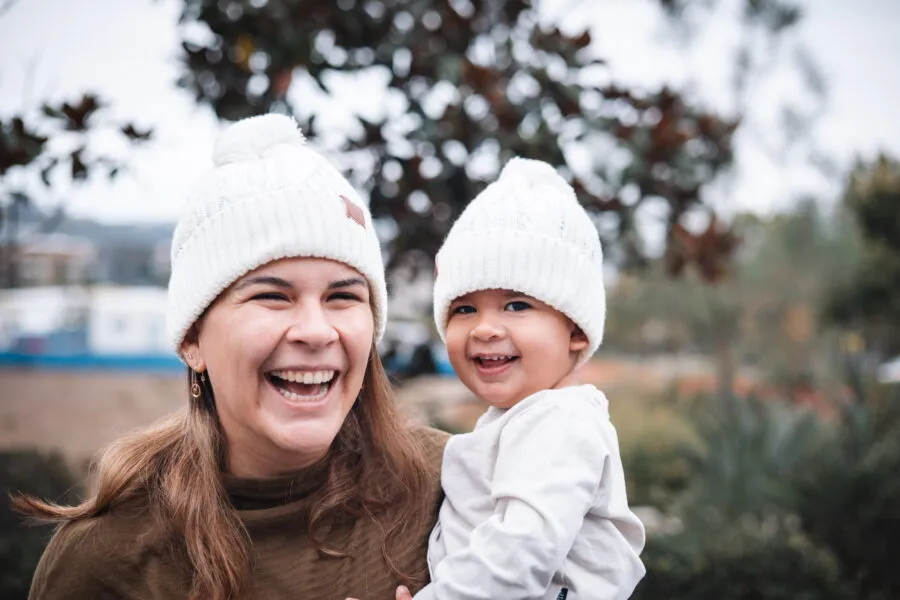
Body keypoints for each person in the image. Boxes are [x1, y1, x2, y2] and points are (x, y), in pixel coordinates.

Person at [15, 114, 448, 600]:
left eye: (343, 297)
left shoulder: (455, 485)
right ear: (192, 339)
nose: (314, 330)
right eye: (272, 296)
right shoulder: (108, 560)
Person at [418, 158, 646, 599]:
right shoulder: (527, 418)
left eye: (516, 305)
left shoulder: (562, 424)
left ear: (576, 331)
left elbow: (518, 553)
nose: (484, 327)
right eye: (464, 309)